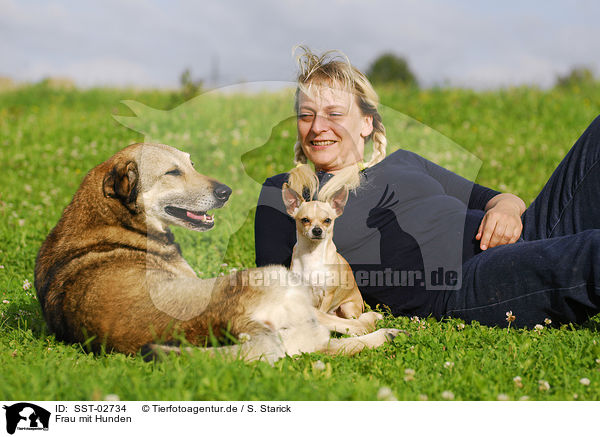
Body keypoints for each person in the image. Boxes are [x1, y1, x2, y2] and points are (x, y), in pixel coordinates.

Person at [254, 47, 600, 328]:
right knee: (592, 251)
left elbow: (495, 198)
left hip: (529, 233)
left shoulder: (405, 161)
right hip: (464, 281)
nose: (317, 127)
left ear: (366, 122)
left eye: (333, 114)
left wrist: (507, 208)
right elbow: (274, 289)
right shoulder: (289, 194)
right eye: (306, 115)